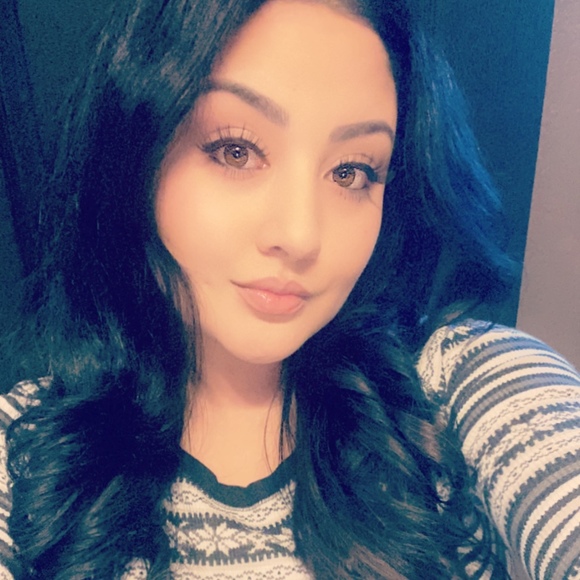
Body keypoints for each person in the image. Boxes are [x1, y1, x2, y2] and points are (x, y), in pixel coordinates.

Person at [0, 0, 578, 578]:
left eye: (351, 172)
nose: (301, 236)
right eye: (235, 150)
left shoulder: (457, 388)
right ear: (134, 157)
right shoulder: (27, 449)